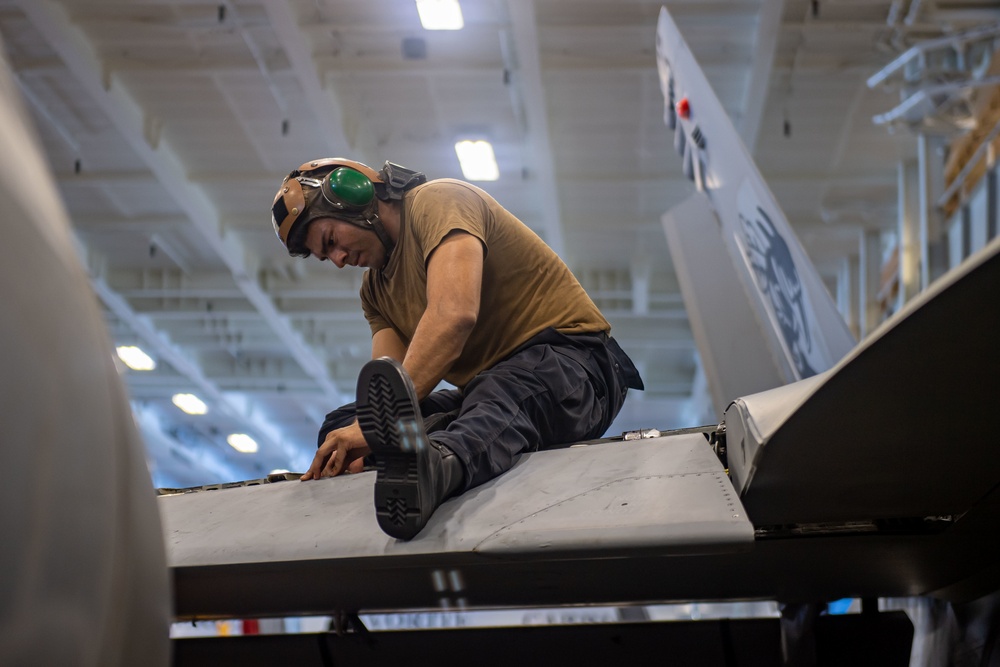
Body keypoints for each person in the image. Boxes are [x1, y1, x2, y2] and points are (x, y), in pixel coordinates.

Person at [271, 158, 644, 540]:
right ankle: (424, 454)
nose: (338, 260)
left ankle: (438, 467)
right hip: (490, 386)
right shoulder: (375, 292)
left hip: (576, 366)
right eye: (325, 257)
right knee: (338, 428)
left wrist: (375, 429)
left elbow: (454, 315)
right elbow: (390, 388)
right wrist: (362, 435)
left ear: (353, 195)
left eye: (331, 241)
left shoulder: (438, 201)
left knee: (497, 394)